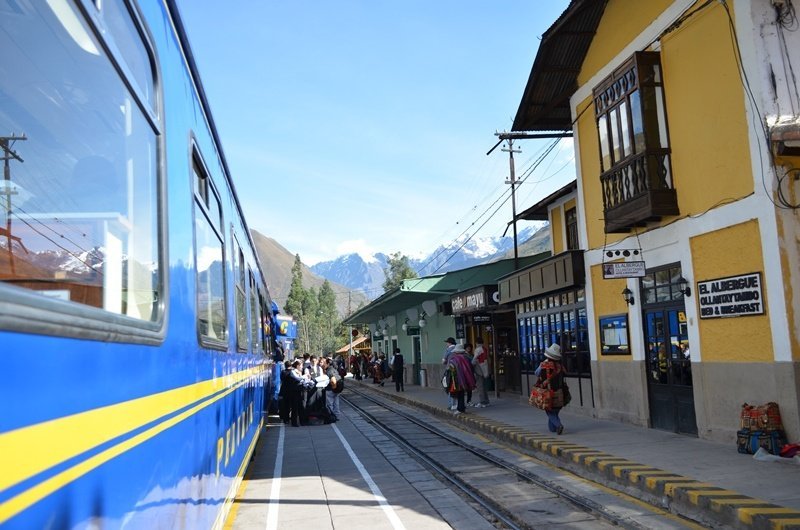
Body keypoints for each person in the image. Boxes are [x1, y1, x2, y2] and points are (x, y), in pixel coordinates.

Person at [534, 344, 566, 434]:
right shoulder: (560, 366)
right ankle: (554, 428)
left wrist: (542, 364)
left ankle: (559, 425)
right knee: (555, 411)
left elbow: (536, 373)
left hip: (548, 392)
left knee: (549, 411)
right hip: (560, 392)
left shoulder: (544, 365)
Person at [446, 344, 476, 414]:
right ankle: (462, 407)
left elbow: (451, 369)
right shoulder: (467, 358)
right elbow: (471, 367)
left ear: (456, 351)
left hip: (457, 379)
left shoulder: (454, 359)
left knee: (459, 393)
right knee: (462, 393)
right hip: (467, 378)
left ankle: (460, 408)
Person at [321, 356, 342, 421]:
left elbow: (333, 380)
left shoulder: (329, 371)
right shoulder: (334, 369)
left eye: (324, 363)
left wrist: (333, 388)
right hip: (337, 389)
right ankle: (337, 416)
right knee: (336, 403)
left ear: (327, 364)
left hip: (330, 389)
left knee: (330, 404)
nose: (323, 365)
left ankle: (331, 416)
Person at [471, 337, 490, 408]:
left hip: (479, 370)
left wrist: (470, 365)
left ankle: (482, 402)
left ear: (476, 343)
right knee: (484, 387)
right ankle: (486, 401)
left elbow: (474, 360)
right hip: (485, 370)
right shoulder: (485, 349)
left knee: (480, 387)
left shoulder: (478, 350)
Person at [442, 337, 457, 410]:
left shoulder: (448, 350)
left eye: (447, 342)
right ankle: (458, 403)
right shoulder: (458, 350)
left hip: (449, 370)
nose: (446, 344)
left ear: (450, 343)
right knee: (457, 387)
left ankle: (451, 404)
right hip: (458, 370)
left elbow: (443, 361)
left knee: (449, 387)